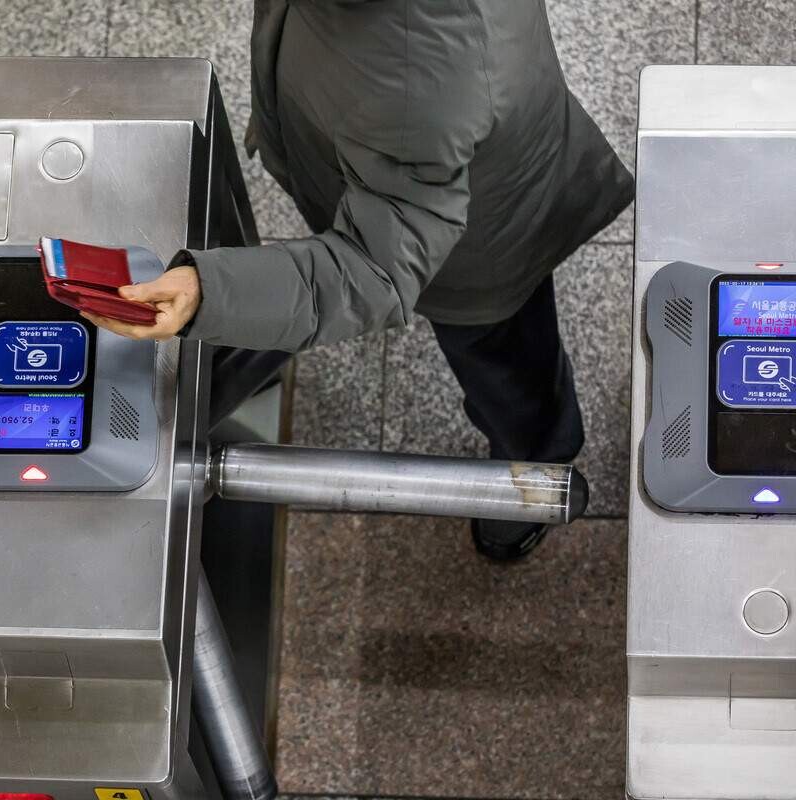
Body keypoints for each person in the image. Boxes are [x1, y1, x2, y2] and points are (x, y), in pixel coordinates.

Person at [82, 0, 633, 560]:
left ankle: (535, 466)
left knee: (507, 364)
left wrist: (211, 292)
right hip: (423, 162)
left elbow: (373, 266)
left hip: (482, 249)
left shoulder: (424, 77)